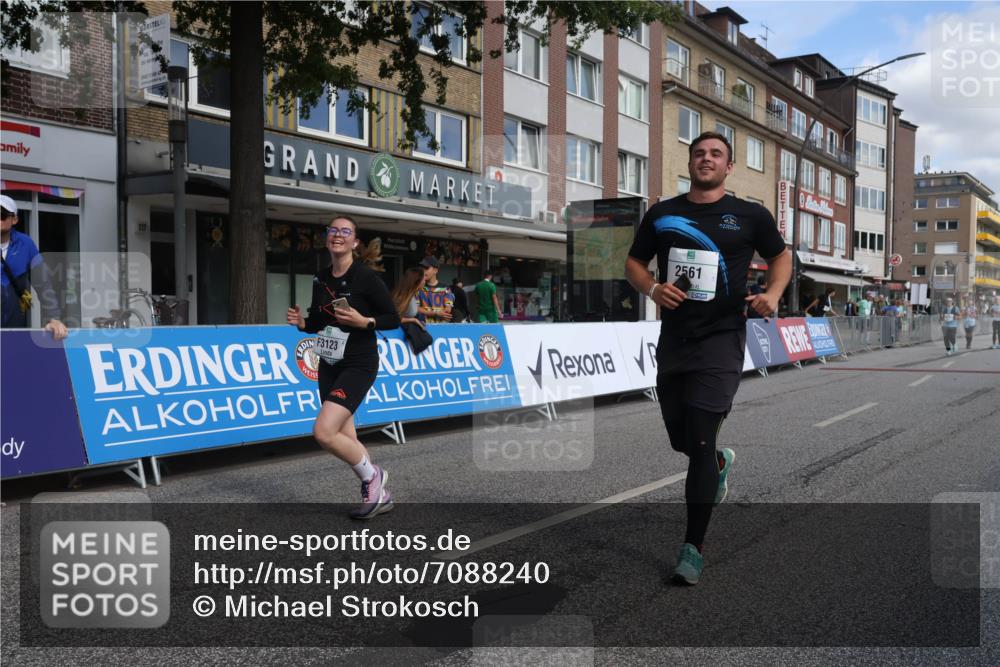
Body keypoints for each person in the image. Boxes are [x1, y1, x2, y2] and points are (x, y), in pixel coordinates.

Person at [624, 131, 791, 585]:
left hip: (722, 339)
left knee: (698, 439)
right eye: (699, 153)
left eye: (716, 154)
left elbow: (781, 257)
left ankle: (691, 549)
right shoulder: (663, 214)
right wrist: (654, 288)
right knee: (682, 440)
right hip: (675, 340)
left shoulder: (750, 214)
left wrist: (772, 294)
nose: (706, 159)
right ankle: (718, 463)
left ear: (728, 167)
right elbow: (634, 264)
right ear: (690, 162)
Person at [287, 215, 401, 519]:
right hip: (329, 362)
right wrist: (302, 324)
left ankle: (374, 476)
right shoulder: (320, 277)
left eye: (345, 231)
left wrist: (366, 322)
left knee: (324, 432)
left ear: (355, 242)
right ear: (328, 237)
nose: (338, 235)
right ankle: (379, 494)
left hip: (358, 363)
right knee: (345, 436)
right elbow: (317, 322)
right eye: (333, 230)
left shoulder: (366, 277)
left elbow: (393, 317)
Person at [1, 195, 68, 340]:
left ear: (14, 220)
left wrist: (53, 318)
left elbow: (44, 284)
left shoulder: (26, 244)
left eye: (2, 215)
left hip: (15, 327)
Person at [416, 256, 453, 323]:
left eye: (426, 268)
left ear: (435, 270)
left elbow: (448, 309)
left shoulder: (445, 288)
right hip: (423, 328)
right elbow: (415, 308)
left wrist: (446, 310)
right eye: (422, 268)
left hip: (441, 328)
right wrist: (435, 314)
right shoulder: (418, 288)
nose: (423, 271)